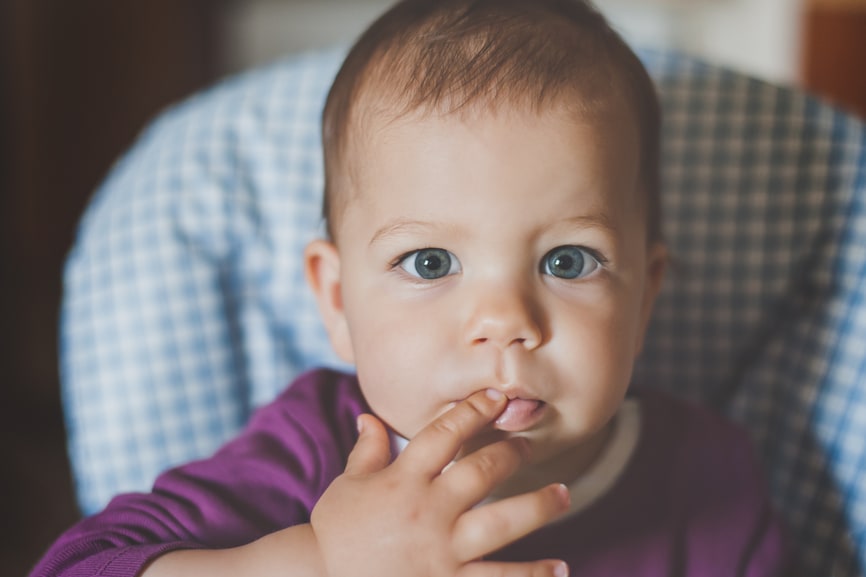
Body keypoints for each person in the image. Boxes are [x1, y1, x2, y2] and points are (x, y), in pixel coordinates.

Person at [31, 1, 790, 575]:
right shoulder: (312, 450)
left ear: (645, 296)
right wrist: (319, 561)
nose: (504, 322)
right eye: (430, 262)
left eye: (567, 261)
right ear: (335, 300)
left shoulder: (710, 474)